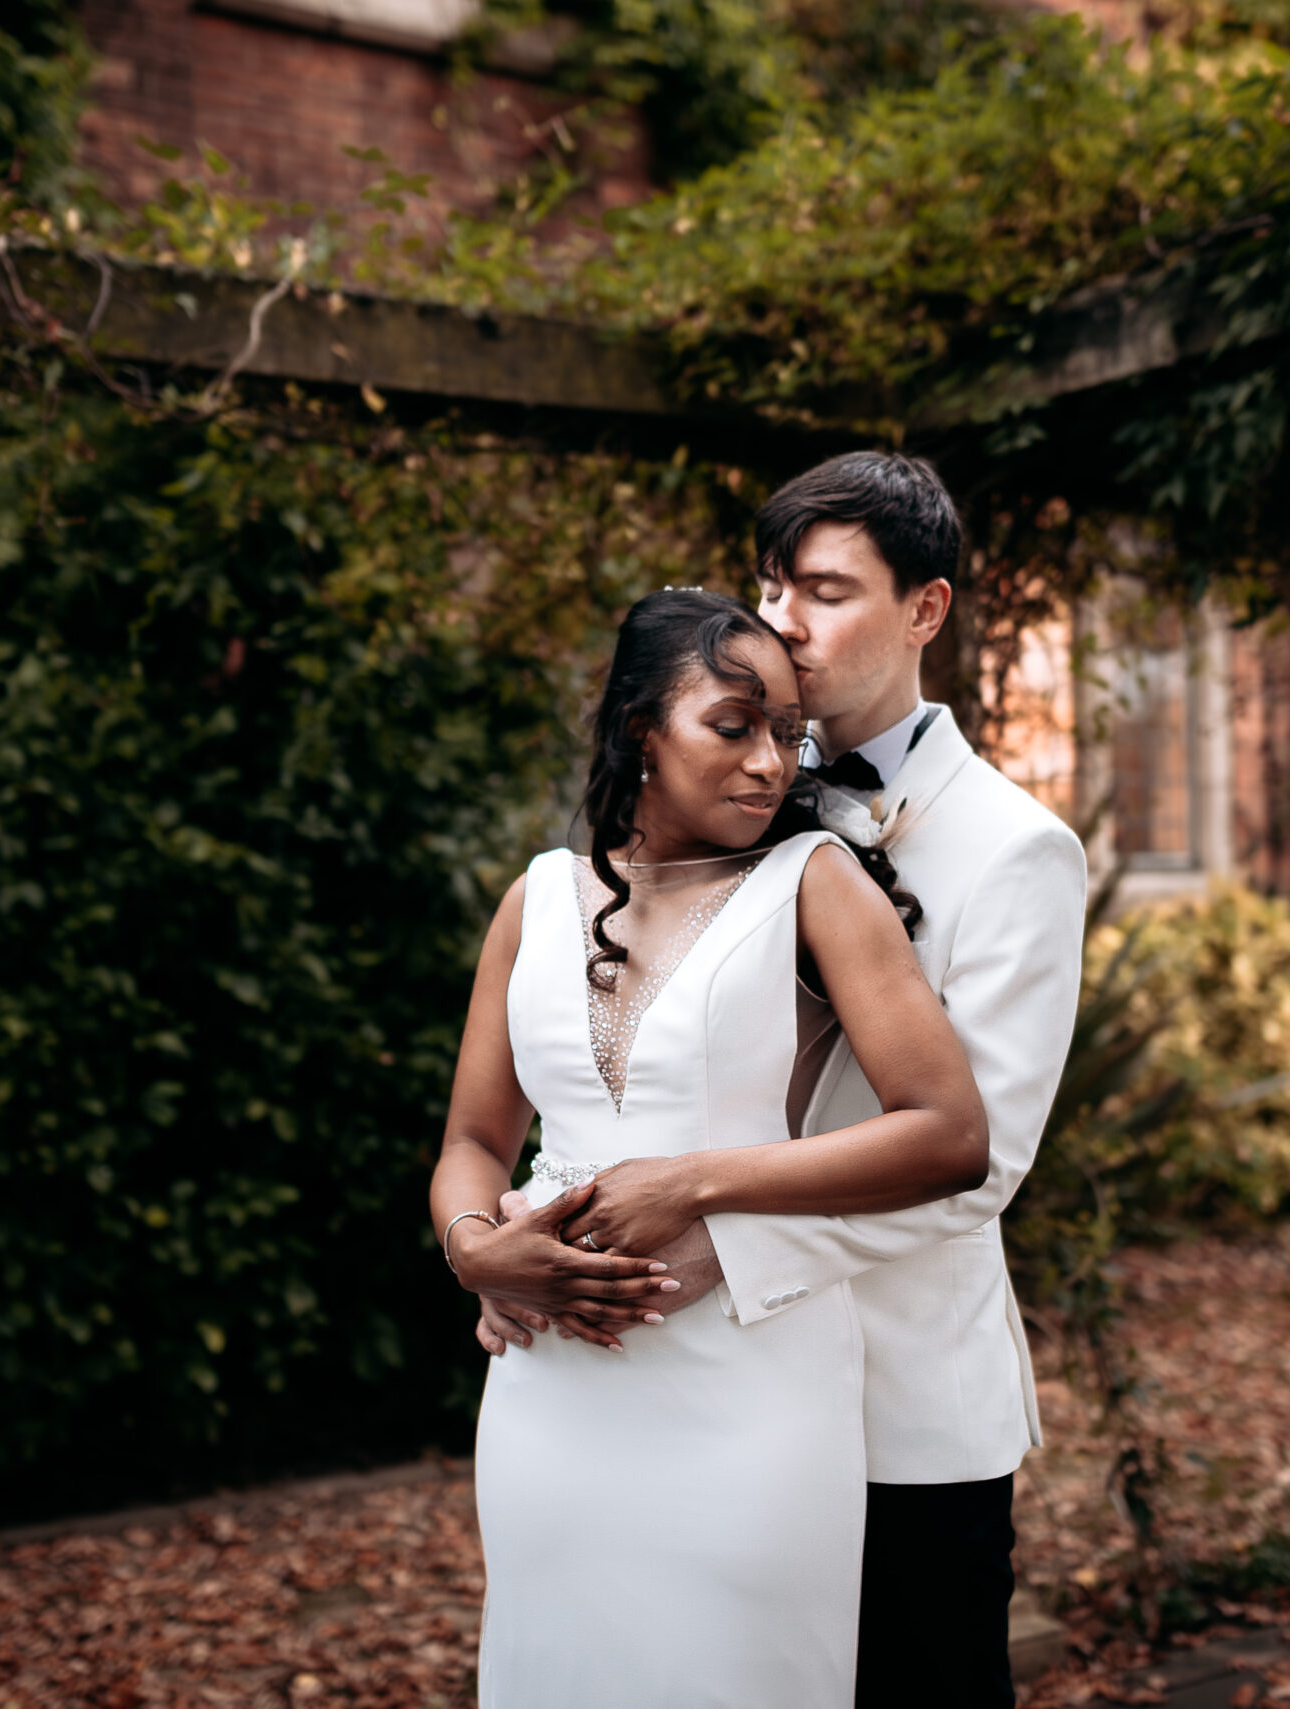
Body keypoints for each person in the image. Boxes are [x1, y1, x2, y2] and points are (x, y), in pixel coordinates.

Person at [477, 452, 1090, 1708]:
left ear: (924, 609)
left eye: (821, 591)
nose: (782, 623)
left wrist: (709, 1241)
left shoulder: (1016, 848)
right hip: (668, 1381)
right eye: (770, 586)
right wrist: (520, 1249)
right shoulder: (735, 797)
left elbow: (986, 1162)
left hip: (900, 1402)